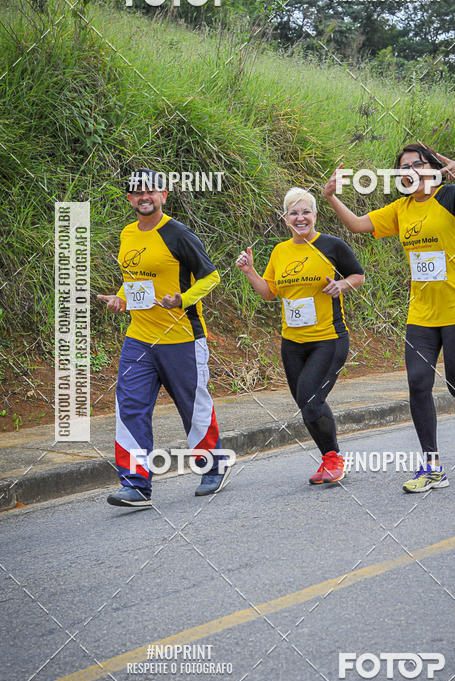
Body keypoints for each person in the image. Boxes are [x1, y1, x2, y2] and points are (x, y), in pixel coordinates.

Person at [324, 144, 455, 493]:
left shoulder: (453, 196)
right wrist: (332, 197)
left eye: (416, 164)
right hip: (421, 314)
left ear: (431, 168)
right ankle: (432, 467)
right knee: (418, 384)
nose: (409, 171)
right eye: (402, 168)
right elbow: (356, 225)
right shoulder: (402, 209)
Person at [97, 169, 230, 508]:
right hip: (139, 338)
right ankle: (136, 484)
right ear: (129, 199)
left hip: (181, 337)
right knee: (130, 407)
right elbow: (136, 282)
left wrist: (182, 299)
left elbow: (211, 276)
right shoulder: (128, 234)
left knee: (192, 405)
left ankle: (213, 465)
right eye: (137, 191)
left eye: (151, 191)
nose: (145, 196)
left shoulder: (177, 234)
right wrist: (120, 298)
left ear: (164, 195)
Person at [236, 187, 365, 484]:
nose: (300, 217)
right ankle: (328, 459)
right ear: (285, 219)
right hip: (292, 344)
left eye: (306, 211)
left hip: (328, 339)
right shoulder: (280, 251)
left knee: (310, 399)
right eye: (294, 212)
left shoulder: (332, 246)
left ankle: (334, 459)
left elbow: (357, 275)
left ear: (316, 215)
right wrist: (250, 271)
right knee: (307, 404)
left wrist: (342, 286)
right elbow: (270, 292)